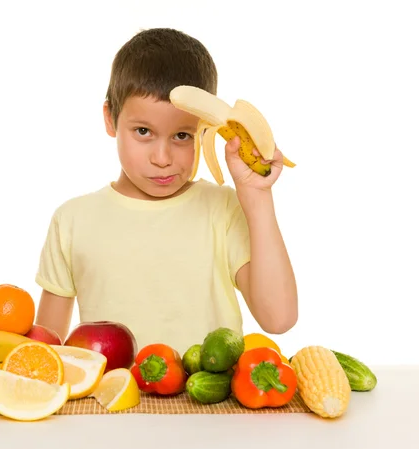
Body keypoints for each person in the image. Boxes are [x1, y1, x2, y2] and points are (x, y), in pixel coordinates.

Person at [33, 27, 297, 357]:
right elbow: (45, 355)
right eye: (143, 131)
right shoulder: (72, 220)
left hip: (207, 408)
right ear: (110, 119)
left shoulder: (223, 209)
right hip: (114, 404)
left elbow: (279, 318)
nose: (163, 158)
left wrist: (256, 196)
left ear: (207, 131)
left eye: (182, 136)